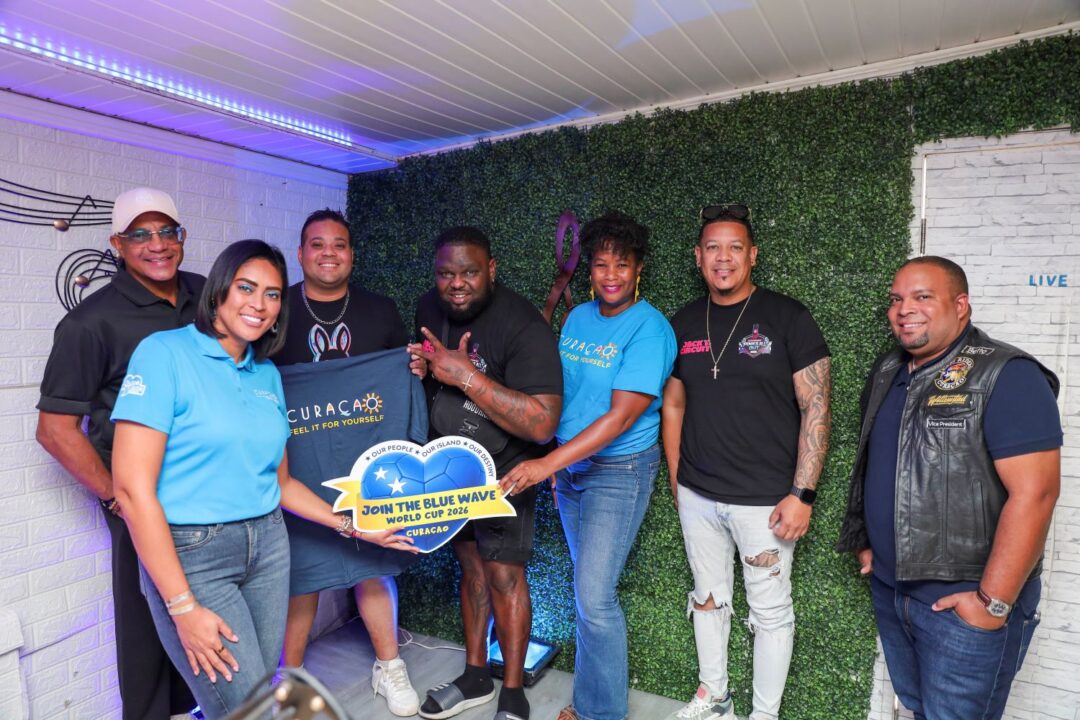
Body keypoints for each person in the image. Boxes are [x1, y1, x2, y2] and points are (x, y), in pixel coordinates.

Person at [110, 240, 413, 719]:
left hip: (269, 546)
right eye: (246, 288)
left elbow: (282, 482)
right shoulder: (163, 353)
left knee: (257, 692)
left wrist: (355, 526)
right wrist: (182, 606)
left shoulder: (266, 374)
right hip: (194, 555)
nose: (259, 304)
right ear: (218, 291)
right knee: (248, 707)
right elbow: (131, 491)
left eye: (272, 294)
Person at [837, 256, 1061, 720]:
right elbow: (879, 463)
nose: (904, 309)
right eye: (896, 299)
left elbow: (1036, 495)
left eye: (922, 297)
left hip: (964, 605)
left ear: (961, 306)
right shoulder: (889, 370)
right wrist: (867, 540)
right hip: (893, 592)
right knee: (920, 709)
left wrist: (990, 603)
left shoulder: (1007, 374)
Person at [502, 210, 677, 720]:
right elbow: (564, 394)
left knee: (596, 597)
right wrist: (559, 463)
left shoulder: (650, 329)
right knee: (585, 593)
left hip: (618, 471)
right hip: (572, 471)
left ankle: (600, 713)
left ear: (638, 269)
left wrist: (545, 465)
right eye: (601, 264)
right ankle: (592, 704)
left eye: (622, 264)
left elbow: (620, 418)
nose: (611, 275)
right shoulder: (578, 317)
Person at [661, 204, 831, 720]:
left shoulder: (788, 317)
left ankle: (763, 714)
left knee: (771, 611)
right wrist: (678, 480)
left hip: (767, 502)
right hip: (699, 494)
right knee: (707, 598)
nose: (724, 257)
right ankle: (715, 697)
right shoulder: (683, 322)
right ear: (698, 256)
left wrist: (803, 494)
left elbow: (817, 406)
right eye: (713, 247)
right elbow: (673, 404)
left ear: (752, 254)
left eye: (735, 247)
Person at [35, 187, 200, 720]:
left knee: (211, 608)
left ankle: (202, 708)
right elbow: (55, 430)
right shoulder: (91, 322)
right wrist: (117, 496)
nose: (157, 245)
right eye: (140, 235)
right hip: (142, 497)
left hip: (212, 487)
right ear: (117, 244)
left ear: (182, 237)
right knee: (149, 620)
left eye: (167, 232)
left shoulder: (208, 295)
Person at [272, 208, 422, 716]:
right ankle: (287, 681)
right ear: (300, 253)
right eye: (317, 244)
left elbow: (400, 379)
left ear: (352, 254)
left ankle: (390, 665)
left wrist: (415, 368)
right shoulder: (278, 310)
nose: (328, 253)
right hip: (299, 463)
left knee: (372, 564)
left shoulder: (380, 310)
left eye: (338, 244)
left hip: (366, 465)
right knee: (303, 571)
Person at [409, 226, 563, 720]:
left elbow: (542, 423)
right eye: (446, 274)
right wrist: (422, 369)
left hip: (507, 470)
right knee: (471, 566)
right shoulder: (428, 309)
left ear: (491, 270)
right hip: (452, 465)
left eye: (470, 272)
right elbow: (430, 379)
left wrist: (467, 377)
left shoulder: (523, 326)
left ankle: (513, 690)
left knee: (503, 574)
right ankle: (476, 674)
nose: (457, 284)